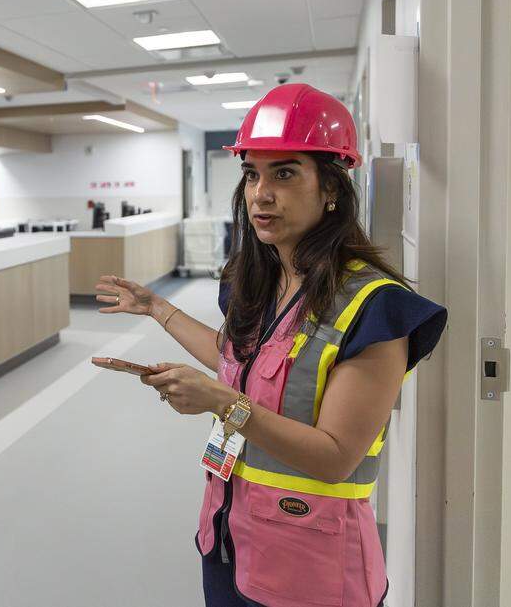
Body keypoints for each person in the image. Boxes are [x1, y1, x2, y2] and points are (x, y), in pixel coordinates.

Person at [94, 83, 446, 607]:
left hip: (310, 568)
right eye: (252, 173)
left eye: (284, 172)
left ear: (331, 188)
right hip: (227, 537)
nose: (261, 193)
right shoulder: (256, 281)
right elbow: (241, 365)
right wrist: (157, 309)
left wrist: (219, 403)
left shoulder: (374, 307)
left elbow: (334, 457)